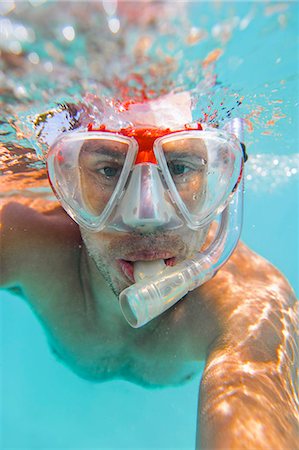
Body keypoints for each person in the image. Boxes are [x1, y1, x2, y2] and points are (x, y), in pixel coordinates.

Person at [1, 92, 298, 450]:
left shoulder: (250, 306)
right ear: (67, 181)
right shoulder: (26, 240)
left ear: (224, 182)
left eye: (180, 168)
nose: (146, 215)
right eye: (109, 170)